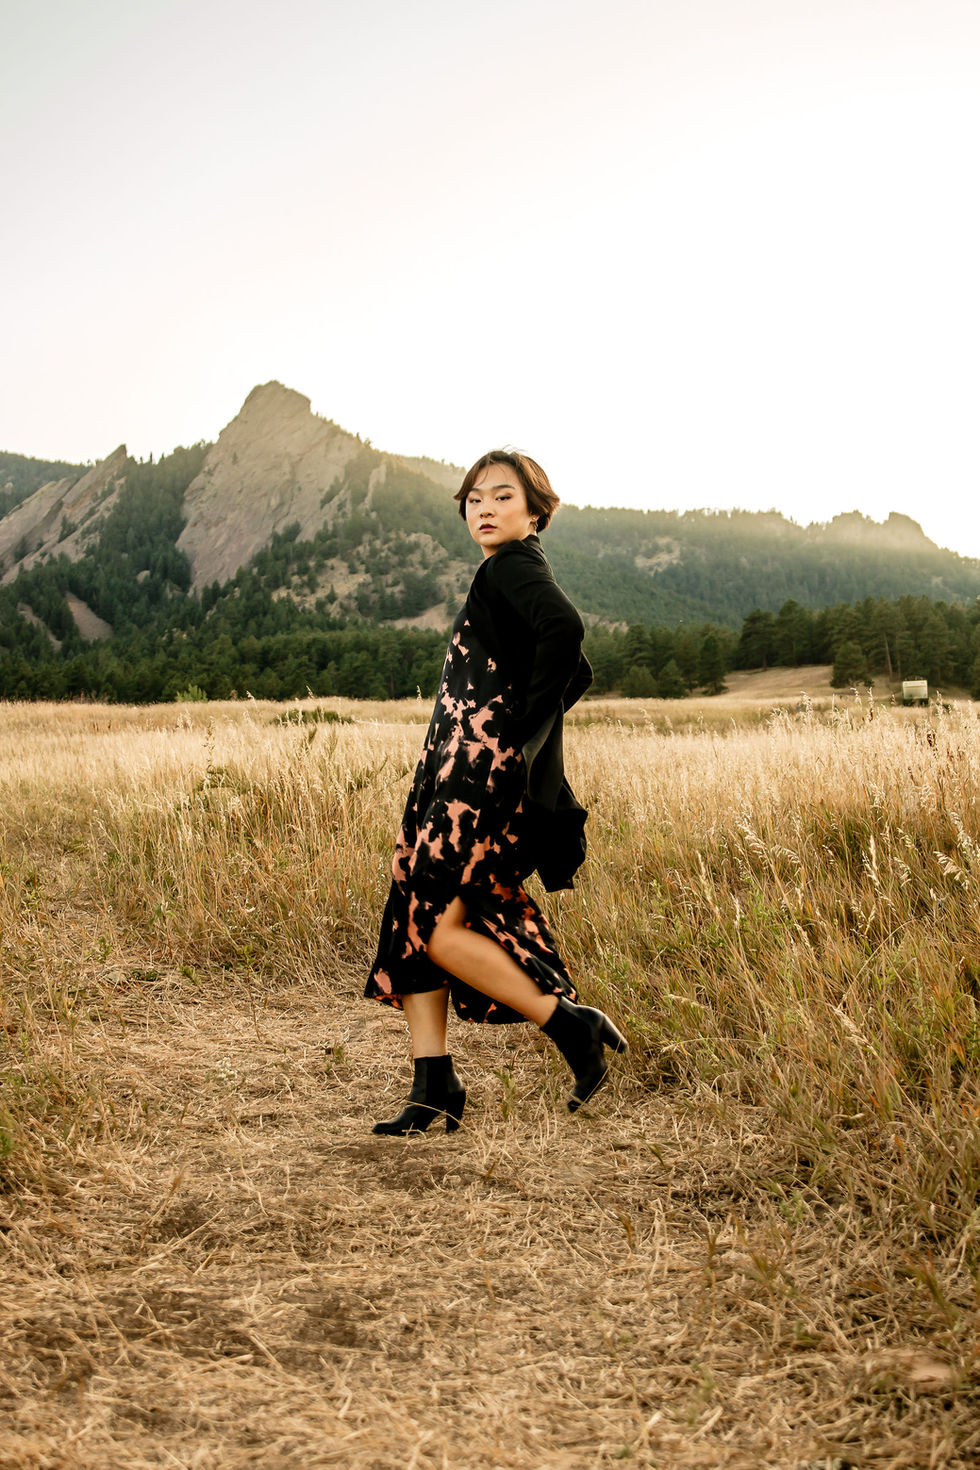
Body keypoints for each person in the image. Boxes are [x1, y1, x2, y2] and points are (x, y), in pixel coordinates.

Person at [364, 449, 626, 1133]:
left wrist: (517, 735)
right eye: (474, 498)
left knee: (440, 929)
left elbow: (566, 635)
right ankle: (433, 1085)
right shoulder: (501, 572)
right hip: (451, 777)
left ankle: (569, 1025)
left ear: (535, 511)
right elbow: (577, 671)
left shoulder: (513, 566)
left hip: (475, 784)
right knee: (413, 915)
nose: (483, 508)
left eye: (502, 497)